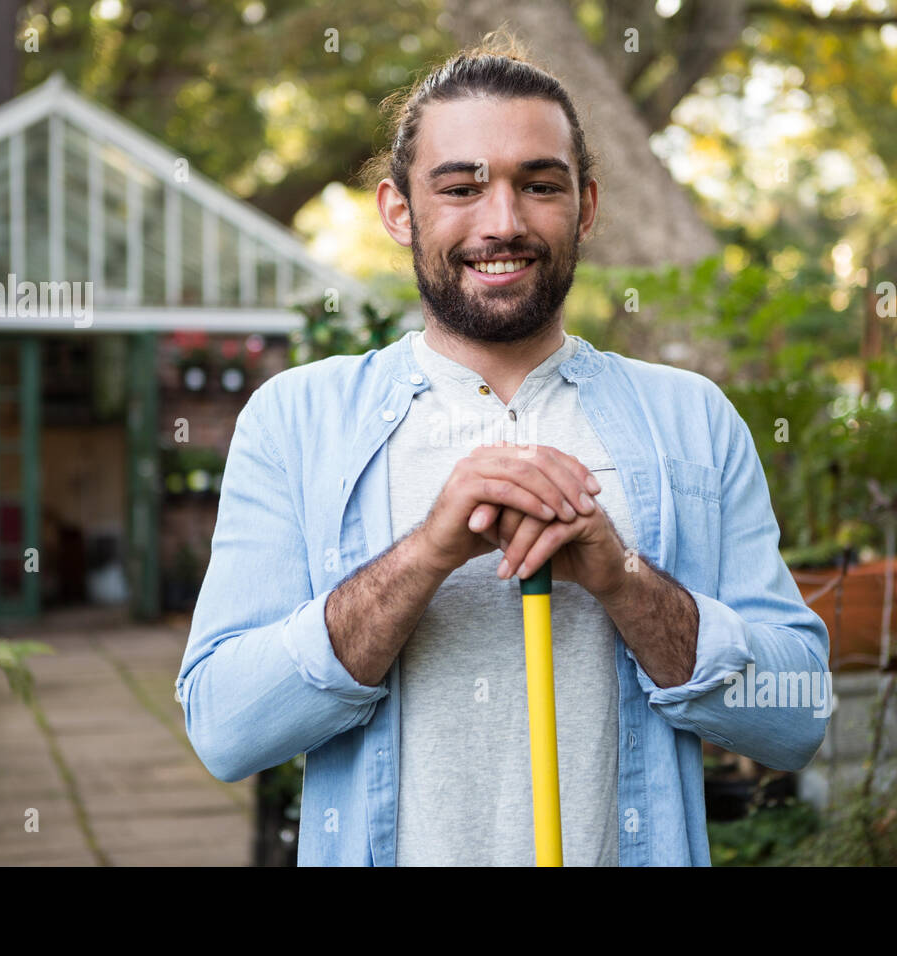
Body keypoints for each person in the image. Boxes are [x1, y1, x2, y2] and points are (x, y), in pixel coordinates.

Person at [176, 37, 830, 866]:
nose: (504, 223)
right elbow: (226, 729)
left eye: (540, 185)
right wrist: (425, 555)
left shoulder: (691, 418)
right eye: (461, 187)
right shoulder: (297, 422)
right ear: (398, 211)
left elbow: (798, 714)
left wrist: (617, 575)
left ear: (585, 207)